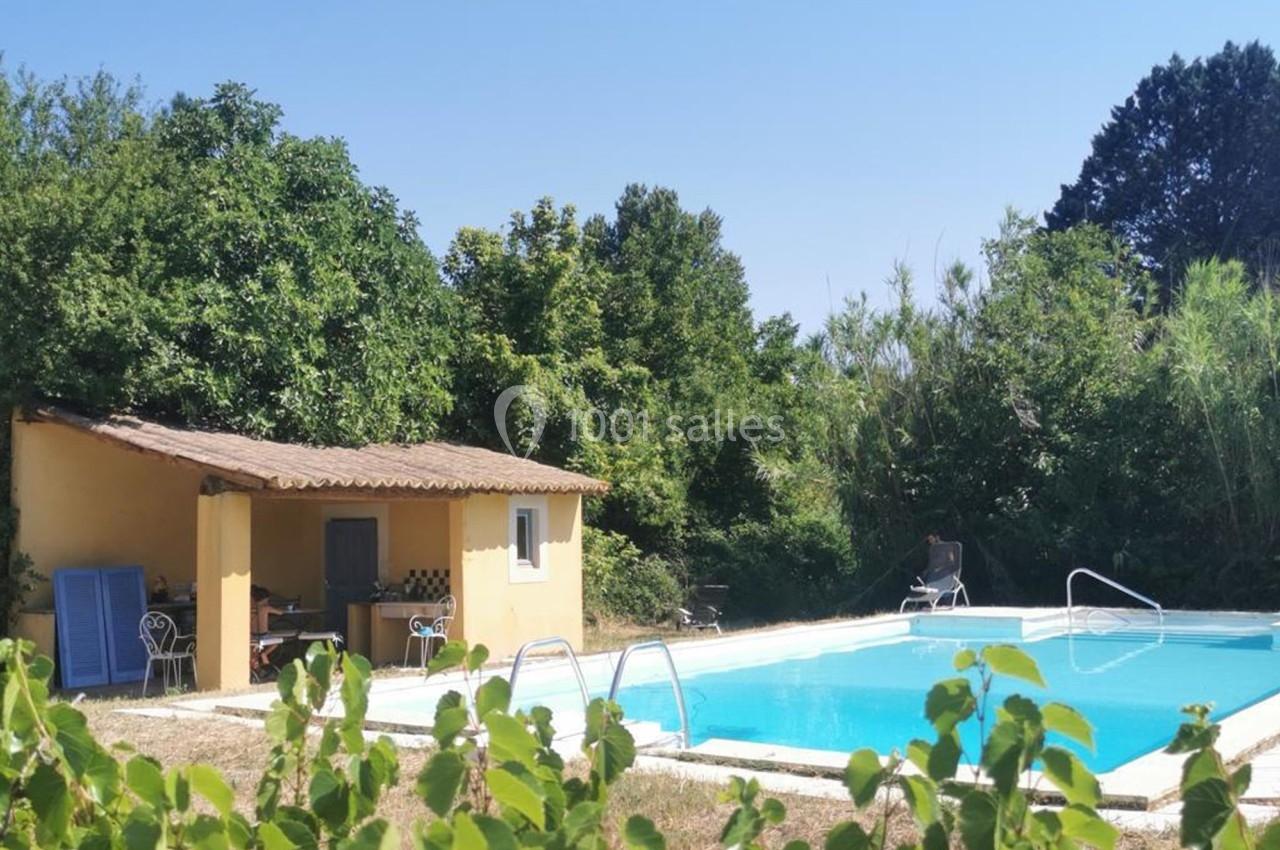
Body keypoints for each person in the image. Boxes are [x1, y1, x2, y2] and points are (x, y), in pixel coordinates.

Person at [251, 585, 284, 674]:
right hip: (264, 636)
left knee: (255, 651)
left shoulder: (251, 609)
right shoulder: (266, 608)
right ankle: (264, 654)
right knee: (277, 642)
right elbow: (280, 613)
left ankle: (257, 667)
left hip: (253, 636)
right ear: (265, 599)